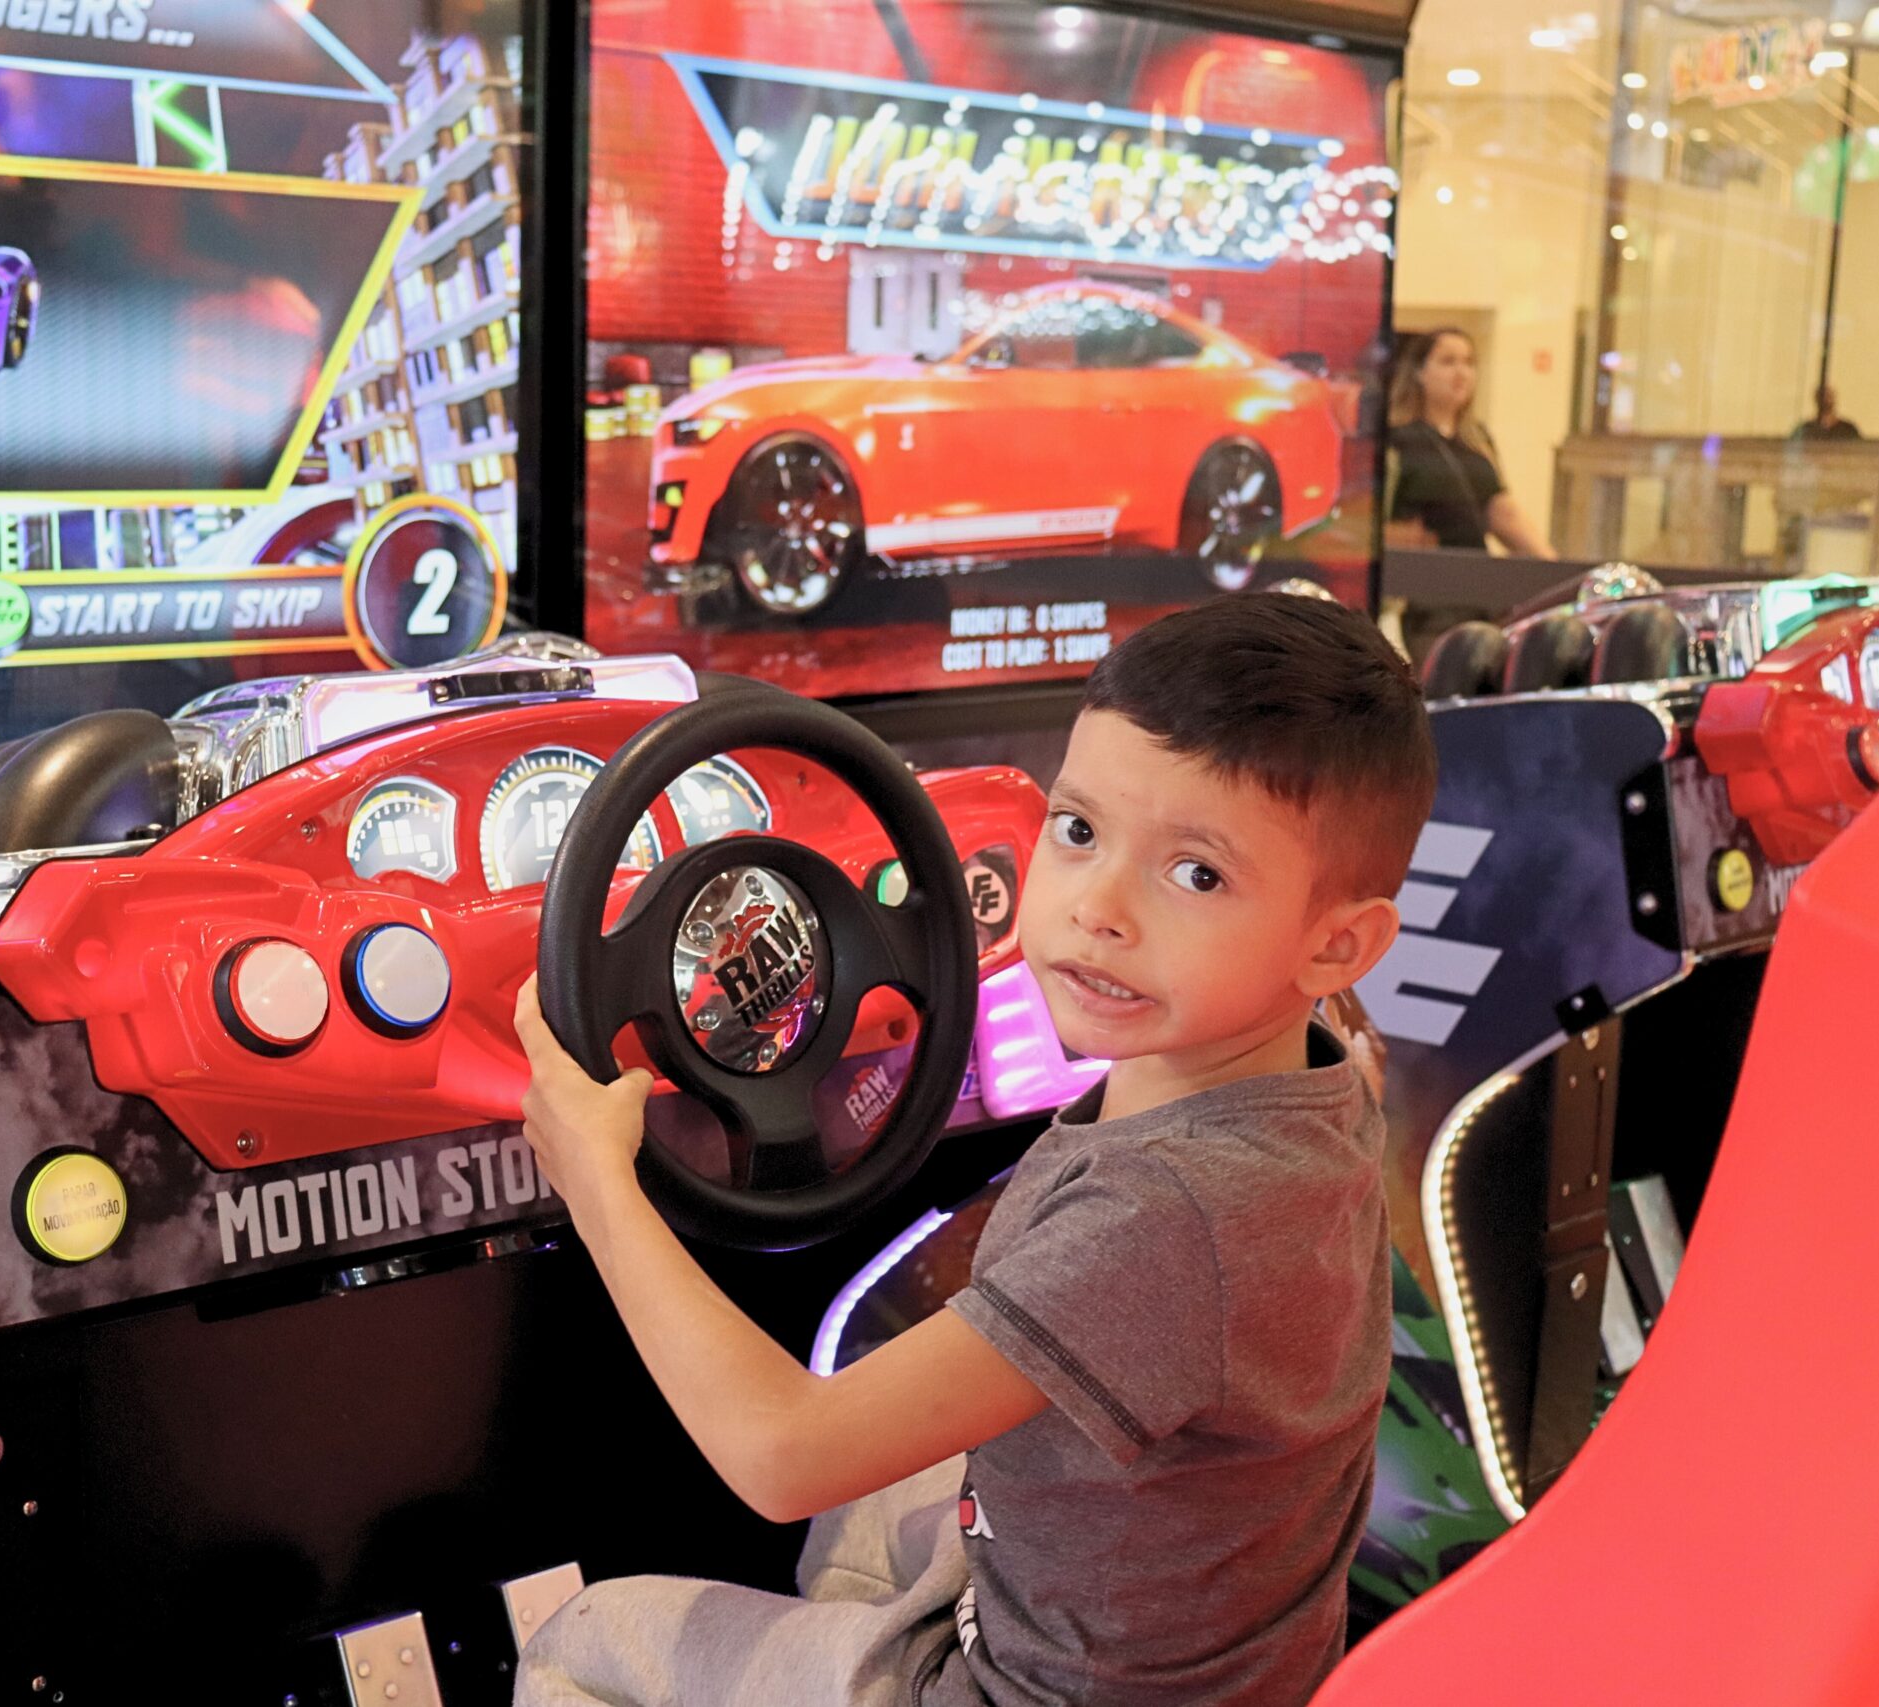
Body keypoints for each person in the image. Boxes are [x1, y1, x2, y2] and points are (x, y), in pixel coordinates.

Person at [509, 592, 1434, 1707]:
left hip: (1033, 1694)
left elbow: (778, 1455)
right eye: (1081, 830)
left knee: (587, 1636)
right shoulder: (1316, 1076)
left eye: (1196, 875)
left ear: (1337, 944)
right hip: (1212, 1655)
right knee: (871, 1506)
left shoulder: (1164, 1221)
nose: (1096, 909)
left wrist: (600, 1179)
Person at [1384, 328, 1554, 557]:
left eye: (1468, 362)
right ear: (1419, 372)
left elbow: (1502, 512)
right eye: (1448, 361)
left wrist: (1551, 564)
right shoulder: (1397, 438)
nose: (1461, 372)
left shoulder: (1477, 439)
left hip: (1472, 573)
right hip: (1419, 576)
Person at [1791, 385, 1863, 442]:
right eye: (1822, 396)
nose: (1826, 399)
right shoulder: (1806, 429)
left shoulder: (1848, 430)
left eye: (1829, 396)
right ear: (1816, 400)